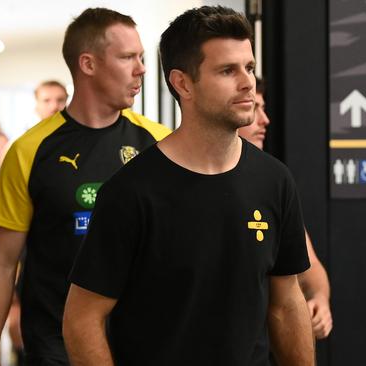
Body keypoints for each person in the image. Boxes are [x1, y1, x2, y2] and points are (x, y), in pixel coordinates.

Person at [64, 6, 314, 365]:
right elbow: (82, 319)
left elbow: (286, 302)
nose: (247, 83)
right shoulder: (130, 192)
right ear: (183, 83)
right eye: (227, 70)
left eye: (249, 68)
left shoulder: (275, 180)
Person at [0, 7, 171, 366]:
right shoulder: (28, 151)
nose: (142, 68)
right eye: (128, 57)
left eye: (141, 57)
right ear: (88, 64)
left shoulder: (158, 143)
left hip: (140, 341)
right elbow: (2, 262)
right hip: (56, 343)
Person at [238, 78, 333, 339]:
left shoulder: (271, 182)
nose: (264, 119)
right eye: (254, 108)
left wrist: (319, 300)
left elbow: (309, 266)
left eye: (263, 107)